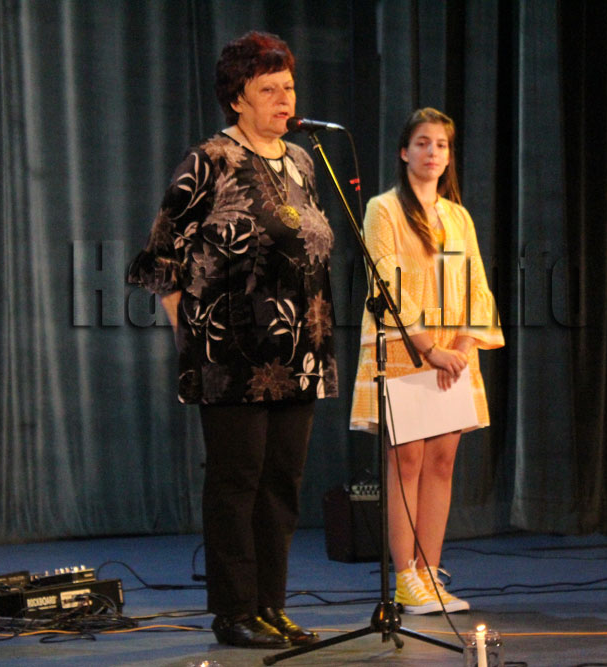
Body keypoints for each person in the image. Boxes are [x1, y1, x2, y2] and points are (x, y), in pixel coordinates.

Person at [127, 31, 336, 649]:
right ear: (237, 98)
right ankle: (234, 612)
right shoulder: (209, 161)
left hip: (299, 352)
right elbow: (160, 257)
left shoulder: (302, 162)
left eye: (288, 87)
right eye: (268, 89)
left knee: (282, 487)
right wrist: (190, 332)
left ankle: (271, 605)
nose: (284, 99)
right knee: (236, 484)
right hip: (231, 355)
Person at [350, 108, 504, 615]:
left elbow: (475, 283)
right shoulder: (384, 209)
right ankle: (405, 578)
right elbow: (388, 282)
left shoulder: (458, 216)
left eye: (441, 144)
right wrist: (428, 348)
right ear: (404, 152)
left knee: (442, 462)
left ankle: (429, 572)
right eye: (422, 142)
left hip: (452, 356)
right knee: (408, 461)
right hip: (405, 351)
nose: (432, 152)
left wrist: (461, 348)